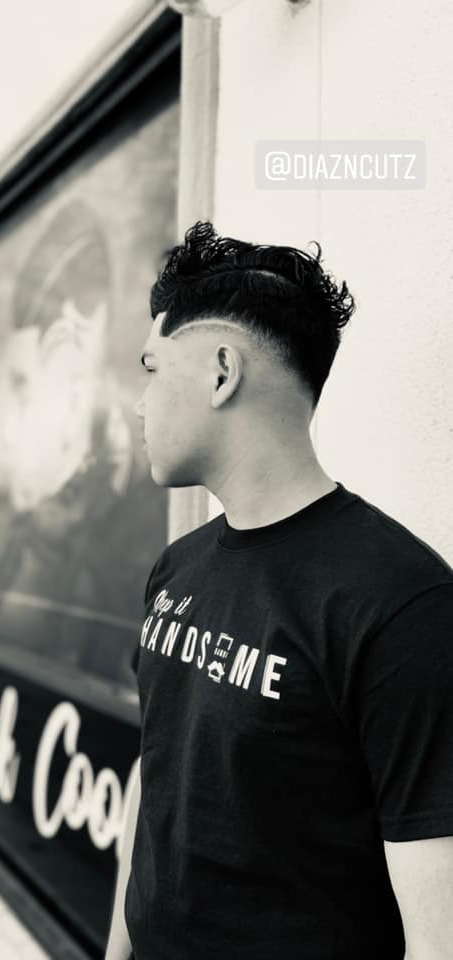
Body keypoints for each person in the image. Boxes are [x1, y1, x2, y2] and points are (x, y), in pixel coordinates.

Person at [105, 221, 453, 960]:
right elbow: (156, 771)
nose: (139, 404)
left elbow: (439, 937)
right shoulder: (177, 569)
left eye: (152, 369)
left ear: (221, 372)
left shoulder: (404, 605)